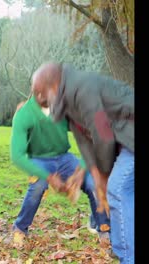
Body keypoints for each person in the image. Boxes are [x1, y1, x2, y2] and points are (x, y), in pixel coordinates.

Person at [31, 62, 134, 264]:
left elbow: (102, 134)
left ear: (53, 87)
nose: (39, 98)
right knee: (117, 192)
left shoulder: (83, 88)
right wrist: (97, 177)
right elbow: (84, 141)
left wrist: (104, 175)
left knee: (118, 188)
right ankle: (124, 255)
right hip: (126, 143)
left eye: (40, 93)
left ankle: (128, 258)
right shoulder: (68, 102)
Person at [10, 93, 111, 245]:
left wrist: (82, 168)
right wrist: (48, 177)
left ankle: (104, 230)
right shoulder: (25, 113)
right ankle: (19, 228)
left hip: (64, 158)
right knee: (38, 185)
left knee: (93, 182)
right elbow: (17, 155)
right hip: (38, 159)